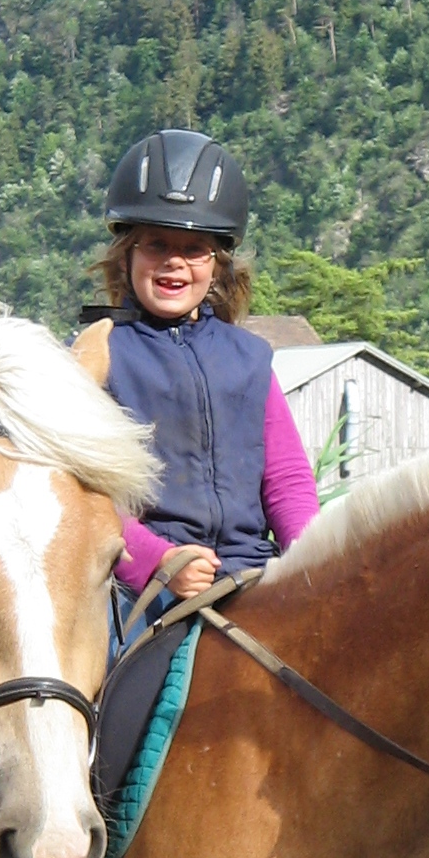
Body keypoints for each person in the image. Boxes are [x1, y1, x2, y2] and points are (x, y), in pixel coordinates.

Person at [94, 128, 320, 641]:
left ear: (217, 264)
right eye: (156, 244)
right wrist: (158, 562)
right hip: (142, 591)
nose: (174, 261)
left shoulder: (250, 359)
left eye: (194, 248)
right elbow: (84, 497)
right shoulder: (100, 356)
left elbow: (286, 480)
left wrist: (311, 560)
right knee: (102, 698)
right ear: (127, 254)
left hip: (254, 575)